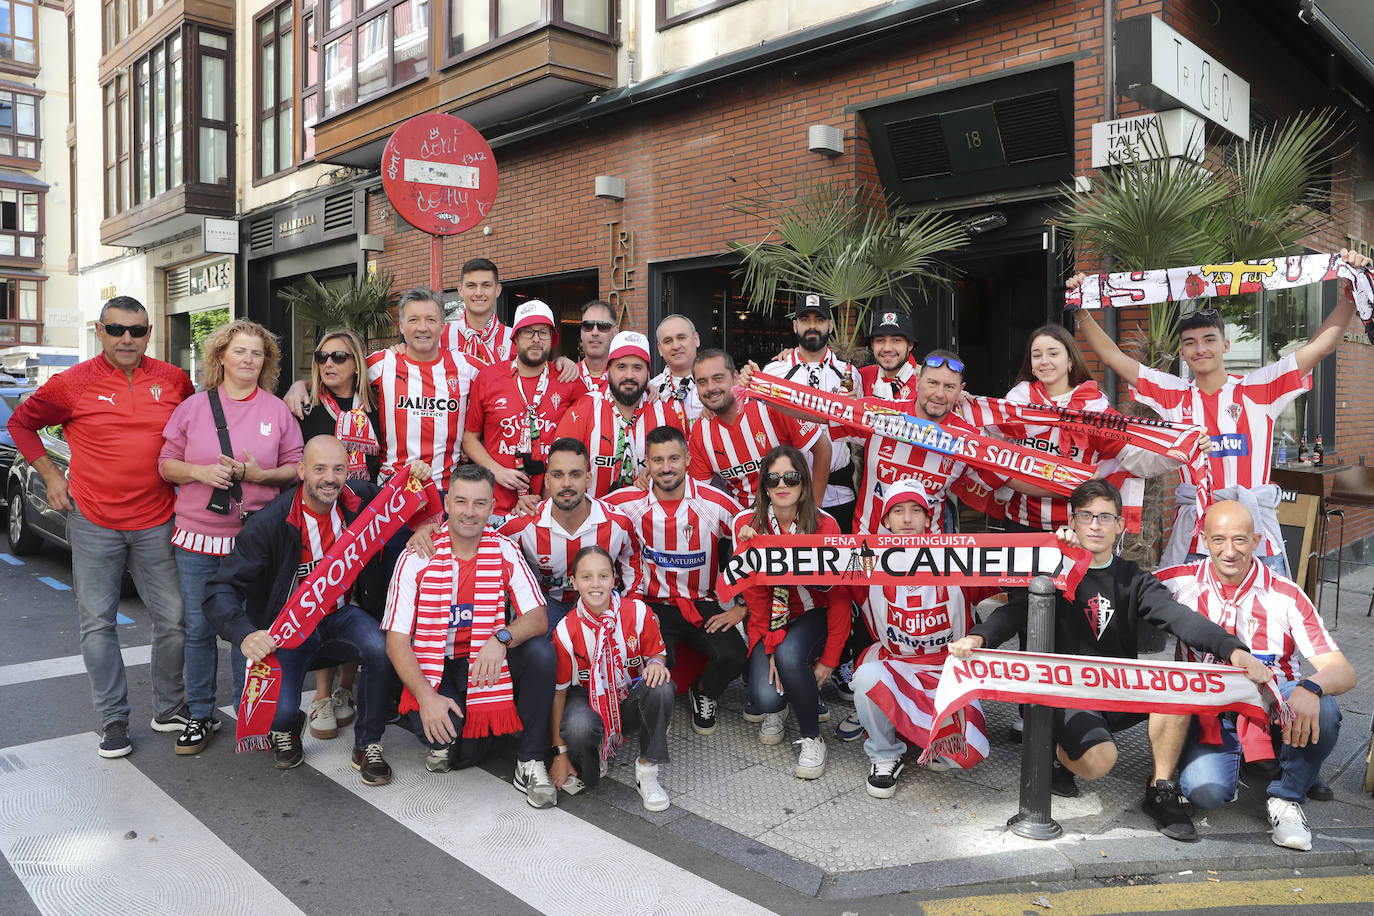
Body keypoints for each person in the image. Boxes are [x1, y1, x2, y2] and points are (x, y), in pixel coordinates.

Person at [950, 480, 1271, 842]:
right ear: (1072, 522)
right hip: (1068, 695)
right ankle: (1055, 753)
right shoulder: (1056, 570)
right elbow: (1016, 613)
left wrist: (1234, 649)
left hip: (1119, 692)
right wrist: (980, 636)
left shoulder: (1132, 579)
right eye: (1086, 516)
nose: (1095, 525)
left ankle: (1161, 789)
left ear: (1120, 524)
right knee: (1100, 761)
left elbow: (1178, 617)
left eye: (1105, 517)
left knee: (1174, 686)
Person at [1072, 248, 1372, 574]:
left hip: (1254, 536)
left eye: (1209, 339)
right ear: (1182, 353)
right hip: (1196, 539)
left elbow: (1322, 346)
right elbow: (1115, 359)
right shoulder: (1174, 394)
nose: (1200, 349)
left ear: (1225, 345)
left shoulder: (1259, 387)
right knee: (1192, 623)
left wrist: (1349, 295)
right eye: (1190, 343)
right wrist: (1081, 314)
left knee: (1261, 623)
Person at [8, 296, 194, 758]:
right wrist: (52, 476)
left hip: (157, 520)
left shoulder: (173, 380)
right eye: (116, 330)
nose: (126, 338)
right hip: (93, 522)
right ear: (100, 330)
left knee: (173, 620)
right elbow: (21, 424)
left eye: (136, 330)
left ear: (149, 332)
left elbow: (205, 422)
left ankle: (169, 708)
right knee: (98, 624)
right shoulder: (71, 383)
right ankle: (113, 720)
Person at [204, 438, 430, 786]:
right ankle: (287, 729)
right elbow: (219, 589)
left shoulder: (359, 500)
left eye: (338, 469)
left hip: (340, 618)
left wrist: (419, 481)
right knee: (277, 715)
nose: (330, 478)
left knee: (381, 647)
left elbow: (405, 499)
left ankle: (368, 742)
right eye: (320, 469)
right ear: (301, 471)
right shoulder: (269, 524)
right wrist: (245, 633)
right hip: (289, 632)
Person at [1158, 500, 1356, 851]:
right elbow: (1120, 590)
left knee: (1324, 710)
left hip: (1273, 708)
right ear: (1203, 540)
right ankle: (1256, 764)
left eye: (1240, 540)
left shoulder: (1287, 595)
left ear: (1258, 540)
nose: (1229, 551)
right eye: (1218, 540)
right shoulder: (1177, 583)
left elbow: (1342, 671)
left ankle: (1288, 795)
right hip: (1211, 713)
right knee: (1206, 794)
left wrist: (1311, 687)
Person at [158, 319, 303, 755]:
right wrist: (200, 472)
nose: (248, 360)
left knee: (253, 628)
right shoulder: (193, 407)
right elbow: (166, 463)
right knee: (200, 629)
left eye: (257, 353)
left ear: (266, 362)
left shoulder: (277, 410)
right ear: (221, 356)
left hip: (254, 540)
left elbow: (297, 467)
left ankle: (249, 712)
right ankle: (200, 714)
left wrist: (259, 475)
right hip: (198, 537)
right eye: (239, 351)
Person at [383, 463, 559, 808]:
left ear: (493, 508)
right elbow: (396, 640)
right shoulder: (416, 555)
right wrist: (426, 698)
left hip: (484, 660)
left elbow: (538, 617)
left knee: (541, 652)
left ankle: (529, 761)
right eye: (461, 501)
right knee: (453, 744)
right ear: (447, 504)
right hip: (438, 667)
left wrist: (501, 638)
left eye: (480, 504)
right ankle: (449, 734)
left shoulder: (504, 549)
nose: (469, 512)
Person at [848, 481, 989, 797]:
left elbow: (1014, 577)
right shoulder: (866, 561)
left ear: (929, 519)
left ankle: (923, 733)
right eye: (898, 511)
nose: (907, 519)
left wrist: (1058, 546)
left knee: (966, 755)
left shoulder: (956, 557)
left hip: (948, 667)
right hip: (895, 662)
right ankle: (884, 754)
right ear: (886, 521)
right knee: (865, 676)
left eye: (915, 511)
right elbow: (814, 572)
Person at [607, 425, 746, 736]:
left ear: (687, 459)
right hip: (651, 605)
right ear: (647, 464)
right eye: (657, 460)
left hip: (701, 602)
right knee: (654, 667)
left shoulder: (713, 502)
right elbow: (588, 517)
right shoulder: (625, 502)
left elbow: (751, 537)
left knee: (736, 656)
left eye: (673, 458)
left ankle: (704, 692)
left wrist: (741, 606)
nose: (666, 467)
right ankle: (655, 707)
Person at [285, 288, 485, 489]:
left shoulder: (469, 368)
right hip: (390, 490)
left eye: (431, 320)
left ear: (442, 326)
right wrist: (300, 385)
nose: (422, 327)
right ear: (401, 326)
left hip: (446, 489)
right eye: (414, 320)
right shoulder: (383, 363)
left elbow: (500, 395)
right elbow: (342, 372)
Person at [732, 446, 850, 779]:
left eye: (791, 477)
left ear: (804, 482)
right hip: (767, 620)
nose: (782, 485)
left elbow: (840, 597)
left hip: (815, 614)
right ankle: (786, 701)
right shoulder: (746, 524)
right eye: (773, 478)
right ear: (763, 485)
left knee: (788, 654)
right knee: (766, 698)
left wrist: (829, 659)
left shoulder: (825, 524)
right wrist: (770, 646)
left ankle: (813, 737)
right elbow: (754, 598)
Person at [296, 327, 383, 738]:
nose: (328, 363)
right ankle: (322, 693)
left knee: (360, 597)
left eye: (339, 357)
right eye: (321, 356)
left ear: (357, 364)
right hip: (321, 519)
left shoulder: (378, 406)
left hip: (367, 516)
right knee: (326, 596)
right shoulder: (306, 406)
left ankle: (348, 688)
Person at [549, 546, 673, 810]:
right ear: (574, 582)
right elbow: (558, 695)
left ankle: (647, 770)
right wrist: (560, 754)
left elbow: (657, 655)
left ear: (614, 579)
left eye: (603, 576)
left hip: (629, 694)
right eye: (586, 577)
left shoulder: (638, 612)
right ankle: (594, 753)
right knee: (579, 728)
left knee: (661, 686)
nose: (596, 584)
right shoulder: (565, 631)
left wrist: (655, 664)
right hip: (587, 699)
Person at [497, 438, 640, 630]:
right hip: (546, 606)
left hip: (600, 605)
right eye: (557, 475)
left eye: (575, 474)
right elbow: (484, 545)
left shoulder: (618, 523)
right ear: (547, 480)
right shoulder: (520, 525)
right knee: (536, 653)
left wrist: (634, 611)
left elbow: (633, 562)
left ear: (588, 478)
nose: (566, 483)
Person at [463, 300, 583, 517]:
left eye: (543, 333)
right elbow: (470, 438)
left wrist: (649, 388)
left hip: (550, 507)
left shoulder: (568, 379)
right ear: (515, 337)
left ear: (552, 339)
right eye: (528, 332)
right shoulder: (488, 378)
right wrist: (497, 471)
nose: (536, 339)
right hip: (496, 506)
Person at [762, 294, 862, 532]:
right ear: (795, 325)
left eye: (819, 319)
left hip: (839, 494)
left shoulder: (849, 374)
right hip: (786, 494)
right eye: (805, 319)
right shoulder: (774, 371)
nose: (812, 326)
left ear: (829, 325)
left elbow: (859, 434)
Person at [689, 348, 830, 509]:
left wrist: (814, 510)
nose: (710, 388)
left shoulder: (769, 405)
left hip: (793, 520)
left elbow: (823, 449)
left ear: (735, 377)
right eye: (702, 382)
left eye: (718, 378)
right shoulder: (701, 432)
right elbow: (700, 493)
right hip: (745, 526)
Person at [554, 331, 685, 497]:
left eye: (637, 367)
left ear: (648, 372)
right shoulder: (583, 410)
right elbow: (557, 473)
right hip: (594, 519)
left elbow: (682, 473)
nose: (629, 375)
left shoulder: (665, 415)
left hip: (648, 519)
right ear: (608, 370)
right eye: (621, 367)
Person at [442, 257, 515, 362]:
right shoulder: (441, 338)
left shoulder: (514, 340)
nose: (479, 293)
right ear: (460, 290)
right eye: (471, 286)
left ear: (498, 290)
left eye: (486, 285)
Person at [648, 314, 704, 424]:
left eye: (681, 338)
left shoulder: (719, 384)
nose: (676, 346)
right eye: (668, 341)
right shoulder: (651, 391)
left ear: (696, 339)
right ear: (660, 349)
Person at [858, 309, 919, 401]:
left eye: (896, 340)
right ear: (872, 345)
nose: (887, 348)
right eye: (880, 340)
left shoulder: (926, 381)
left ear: (910, 345)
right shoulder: (860, 376)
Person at [574, 300, 618, 395]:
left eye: (603, 326)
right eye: (588, 326)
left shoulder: (626, 379)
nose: (595, 332)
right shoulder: (566, 377)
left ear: (615, 332)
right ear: (581, 332)